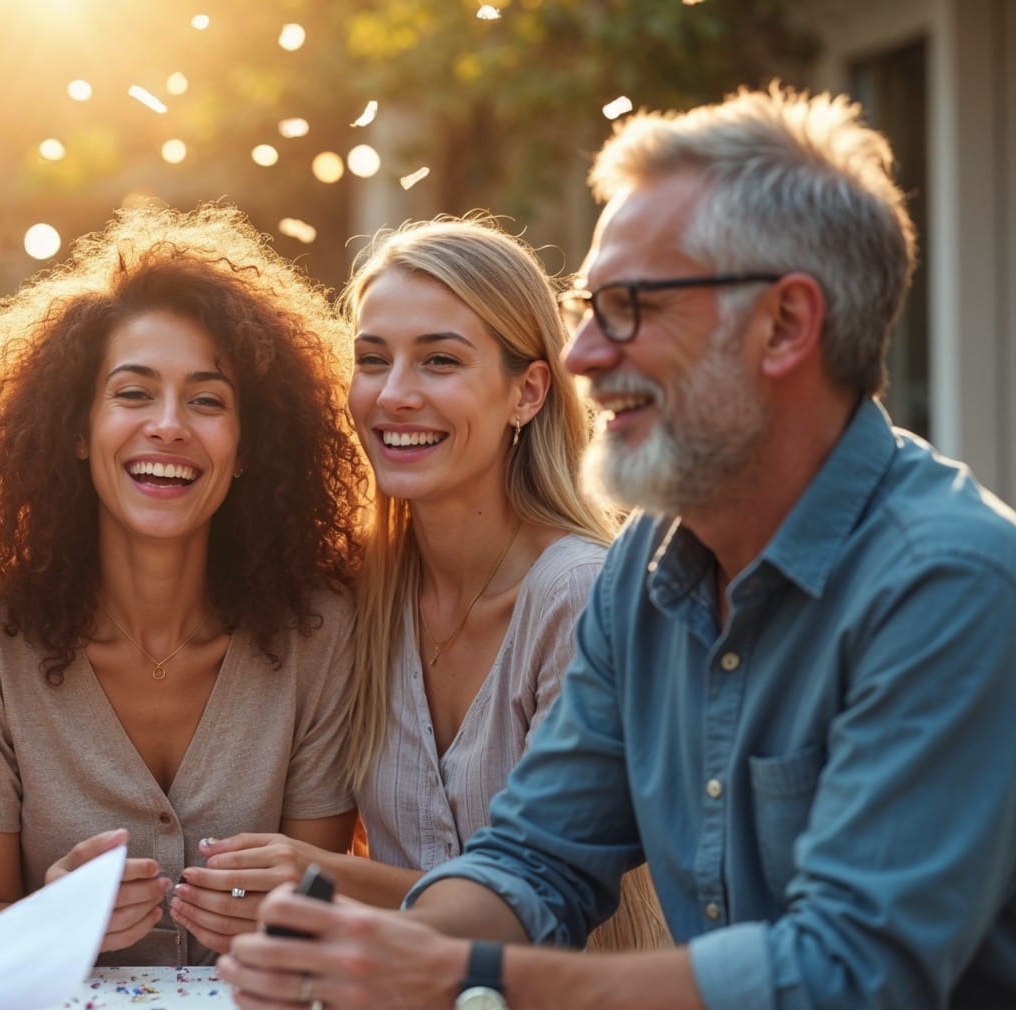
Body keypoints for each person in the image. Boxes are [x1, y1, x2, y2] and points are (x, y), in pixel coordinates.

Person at [223, 85, 1016, 1010]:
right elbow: (536, 858)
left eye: (628, 309)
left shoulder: (951, 588)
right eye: (591, 310)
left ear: (785, 323)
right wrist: (361, 963)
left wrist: (459, 981)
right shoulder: (647, 571)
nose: (585, 357)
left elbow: (844, 988)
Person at [0, 205, 370, 965]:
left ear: (249, 445)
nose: (170, 425)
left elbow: (317, 895)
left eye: (208, 400)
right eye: (134, 393)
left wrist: (287, 912)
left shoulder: (319, 626)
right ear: (76, 431)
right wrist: (50, 916)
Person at [187, 218, 666, 951]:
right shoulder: (356, 591)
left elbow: (537, 894)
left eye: (440, 361)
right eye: (373, 360)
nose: (394, 395)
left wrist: (324, 877)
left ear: (528, 392)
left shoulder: (583, 595)